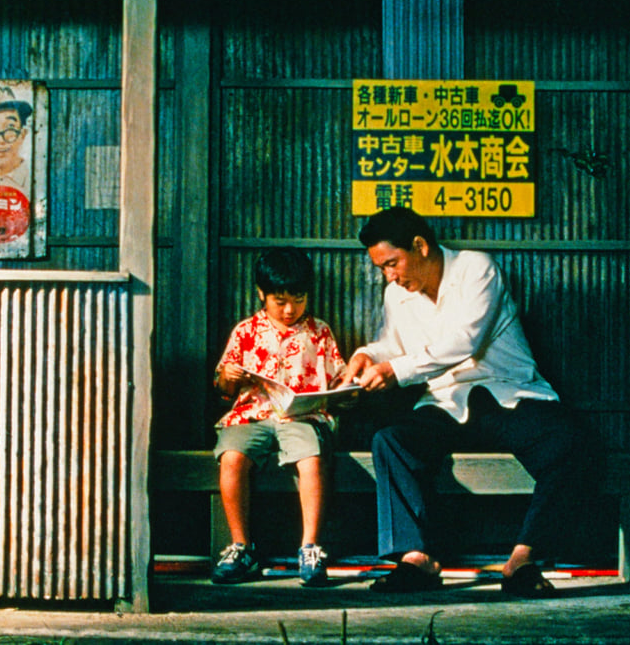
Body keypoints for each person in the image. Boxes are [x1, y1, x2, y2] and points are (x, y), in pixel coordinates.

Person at [335, 207, 583, 598]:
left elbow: (464, 341)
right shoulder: (396, 294)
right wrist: (368, 355)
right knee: (391, 442)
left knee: (569, 443)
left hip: (507, 394)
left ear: (420, 246)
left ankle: (523, 559)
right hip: (445, 402)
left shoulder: (475, 268)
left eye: (392, 263)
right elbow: (392, 346)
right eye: (382, 269)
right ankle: (417, 558)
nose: (389, 276)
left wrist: (395, 370)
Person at [211, 247, 347, 587]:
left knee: (312, 459)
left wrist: (348, 390)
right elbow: (224, 388)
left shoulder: (319, 332)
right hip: (251, 415)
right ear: (262, 294)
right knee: (231, 457)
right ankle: (241, 547)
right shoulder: (246, 331)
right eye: (280, 301)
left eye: (298, 300)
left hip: (302, 416)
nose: (290, 310)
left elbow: (338, 380)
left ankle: (310, 547)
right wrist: (229, 376)